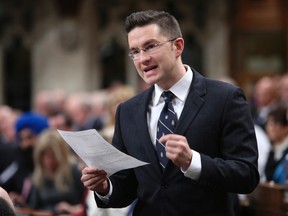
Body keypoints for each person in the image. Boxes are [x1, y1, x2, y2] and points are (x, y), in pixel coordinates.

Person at [81, 10, 259, 216]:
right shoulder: (127, 111)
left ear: (178, 46)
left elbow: (247, 175)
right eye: (135, 51)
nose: (143, 59)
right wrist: (104, 187)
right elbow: (127, 187)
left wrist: (193, 161)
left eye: (150, 46)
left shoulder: (225, 98)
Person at [27, 129, 86, 215]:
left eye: (53, 156)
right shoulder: (39, 177)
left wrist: (71, 209)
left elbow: (88, 205)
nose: (48, 161)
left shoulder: (74, 172)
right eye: (44, 156)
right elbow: (33, 208)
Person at [264, 106, 288, 185]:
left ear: (285, 128)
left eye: (273, 124)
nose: (269, 128)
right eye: (268, 124)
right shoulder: (272, 150)